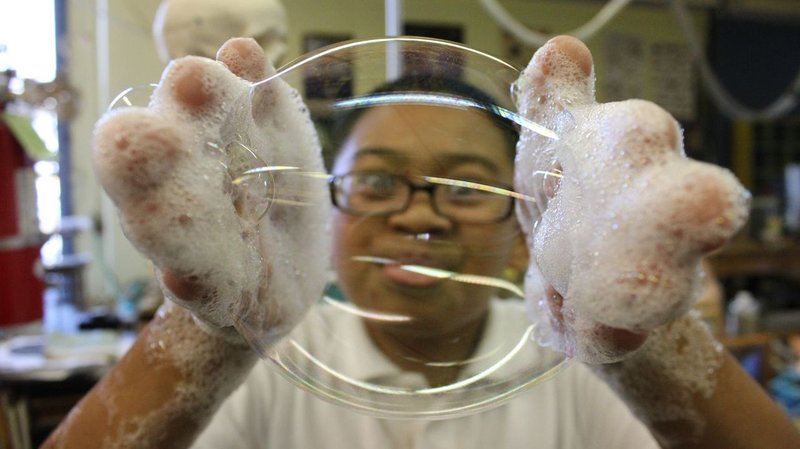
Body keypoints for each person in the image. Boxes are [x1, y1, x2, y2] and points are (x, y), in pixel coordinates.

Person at [43, 36, 800, 449]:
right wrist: (213, 332)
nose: (416, 218)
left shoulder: (570, 369)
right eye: (375, 182)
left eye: (466, 187)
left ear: (523, 227)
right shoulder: (273, 367)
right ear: (324, 207)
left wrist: (639, 339)